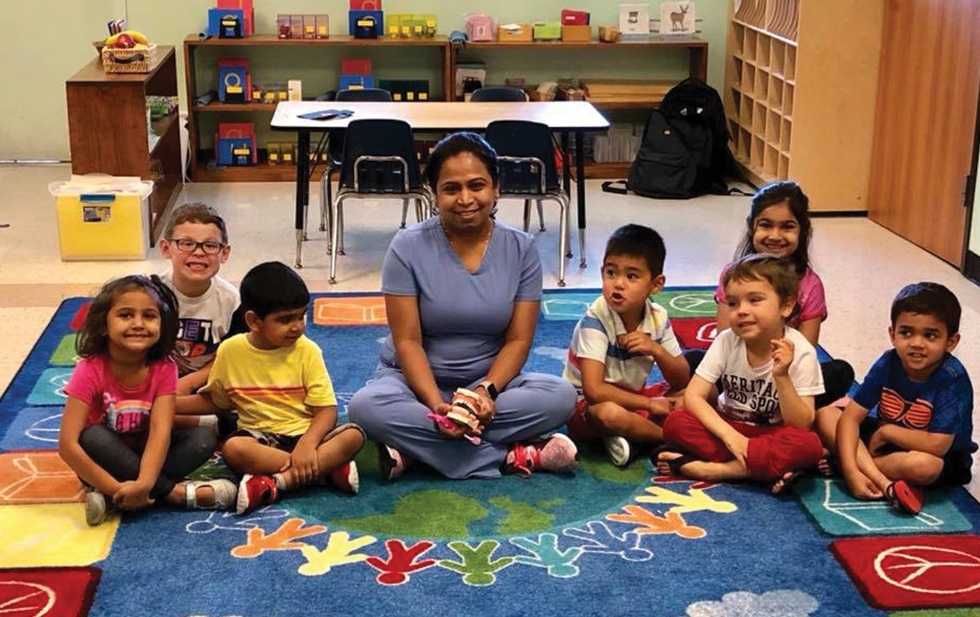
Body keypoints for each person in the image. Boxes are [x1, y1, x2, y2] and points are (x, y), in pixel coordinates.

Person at [346, 132, 579, 480]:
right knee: (364, 408)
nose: (466, 198)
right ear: (435, 194)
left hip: (490, 388)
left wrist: (484, 392)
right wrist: (436, 405)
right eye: (451, 188)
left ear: (496, 188)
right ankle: (507, 457)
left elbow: (518, 341)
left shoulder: (522, 249)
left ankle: (418, 451)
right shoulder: (406, 247)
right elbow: (407, 342)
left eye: (477, 185)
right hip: (414, 384)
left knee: (561, 396)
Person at [185, 261, 365, 515]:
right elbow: (220, 402)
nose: (297, 326)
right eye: (285, 319)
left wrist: (307, 446)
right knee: (234, 449)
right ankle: (324, 470)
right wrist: (164, 403)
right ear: (253, 321)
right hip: (262, 440)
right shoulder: (231, 351)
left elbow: (326, 411)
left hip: (308, 437)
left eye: (301, 315)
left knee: (354, 435)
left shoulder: (308, 351)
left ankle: (278, 483)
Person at [58, 275, 236, 527]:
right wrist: (120, 487)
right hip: (104, 461)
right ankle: (172, 494)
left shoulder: (164, 368)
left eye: (149, 316)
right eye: (126, 315)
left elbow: (160, 429)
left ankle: (113, 501)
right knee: (93, 436)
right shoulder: (90, 369)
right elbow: (67, 445)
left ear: (163, 325)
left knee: (202, 439)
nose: (138, 324)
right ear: (103, 325)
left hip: (150, 457)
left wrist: (143, 484)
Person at [655, 254, 826, 493]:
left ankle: (719, 470)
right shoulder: (727, 341)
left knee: (809, 445)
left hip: (772, 433)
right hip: (730, 427)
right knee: (676, 422)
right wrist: (733, 438)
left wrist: (782, 376)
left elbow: (802, 423)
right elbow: (694, 397)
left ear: (786, 306)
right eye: (733, 303)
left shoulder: (801, 351)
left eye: (755, 300)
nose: (741, 311)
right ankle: (765, 468)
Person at [814, 282, 975, 514]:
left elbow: (937, 445)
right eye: (906, 332)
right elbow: (850, 418)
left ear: (951, 341)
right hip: (885, 444)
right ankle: (878, 479)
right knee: (826, 413)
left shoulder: (952, 378)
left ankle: (843, 460)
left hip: (939, 455)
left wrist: (887, 432)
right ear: (893, 334)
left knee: (923, 466)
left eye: (930, 335)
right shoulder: (889, 362)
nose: (916, 343)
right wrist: (851, 474)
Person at [707, 181, 853, 408]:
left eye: (787, 227)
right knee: (694, 360)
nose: (775, 236)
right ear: (751, 227)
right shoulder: (732, 274)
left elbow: (805, 349)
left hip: (784, 374)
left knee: (840, 372)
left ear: (803, 230)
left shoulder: (810, 285)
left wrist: (776, 370)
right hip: (738, 373)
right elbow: (724, 335)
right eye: (765, 225)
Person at [563, 224, 689, 467]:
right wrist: (650, 404)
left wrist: (656, 349)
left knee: (695, 394)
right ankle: (670, 440)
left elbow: (681, 378)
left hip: (633, 398)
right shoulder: (596, 318)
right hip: (588, 407)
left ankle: (634, 438)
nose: (618, 284)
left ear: (656, 284)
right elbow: (594, 391)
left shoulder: (658, 317)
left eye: (631, 276)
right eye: (611, 273)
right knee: (609, 414)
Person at [160, 203, 240, 434]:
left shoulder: (231, 300)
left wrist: (190, 381)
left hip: (208, 382)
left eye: (210, 245)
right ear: (166, 249)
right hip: (159, 378)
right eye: (186, 243)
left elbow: (232, 355)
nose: (198, 252)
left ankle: (176, 417)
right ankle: (202, 423)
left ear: (224, 253)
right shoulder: (150, 293)